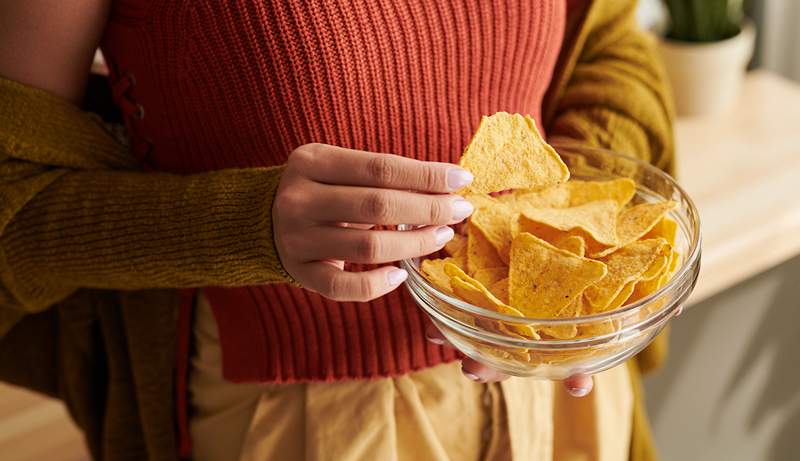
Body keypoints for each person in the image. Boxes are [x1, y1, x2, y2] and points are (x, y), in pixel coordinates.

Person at [0, 0, 673, 459]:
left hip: (559, 401)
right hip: (299, 428)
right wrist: (245, 223)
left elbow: (608, 39)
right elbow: (14, 195)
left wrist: (571, 231)